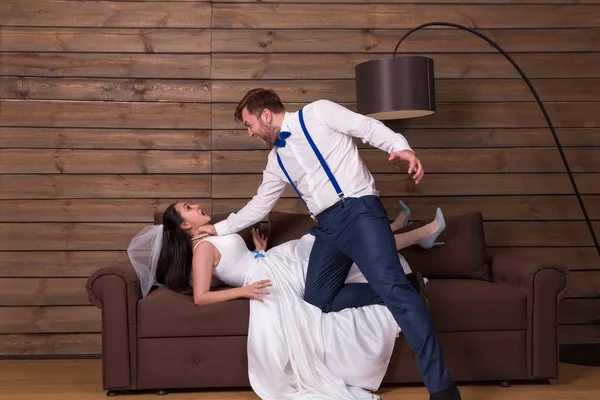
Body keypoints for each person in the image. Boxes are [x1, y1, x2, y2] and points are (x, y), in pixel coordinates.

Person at [197, 89, 461, 400]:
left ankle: (443, 390)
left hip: (359, 211)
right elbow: (260, 205)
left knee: (395, 292)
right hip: (327, 227)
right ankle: (407, 287)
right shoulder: (276, 159)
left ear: (265, 115)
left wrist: (400, 147)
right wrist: (218, 228)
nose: (250, 132)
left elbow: (367, 127)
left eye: (248, 124)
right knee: (317, 298)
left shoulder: (318, 112)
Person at [127, 200, 446, 399]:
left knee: (347, 251)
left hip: (277, 262)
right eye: (189, 208)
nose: (196, 206)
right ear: (185, 225)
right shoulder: (202, 249)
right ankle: (419, 235)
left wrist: (258, 251)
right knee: (349, 253)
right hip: (273, 279)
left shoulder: (212, 238)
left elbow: (234, 264)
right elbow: (201, 296)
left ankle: (399, 230)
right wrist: (245, 291)